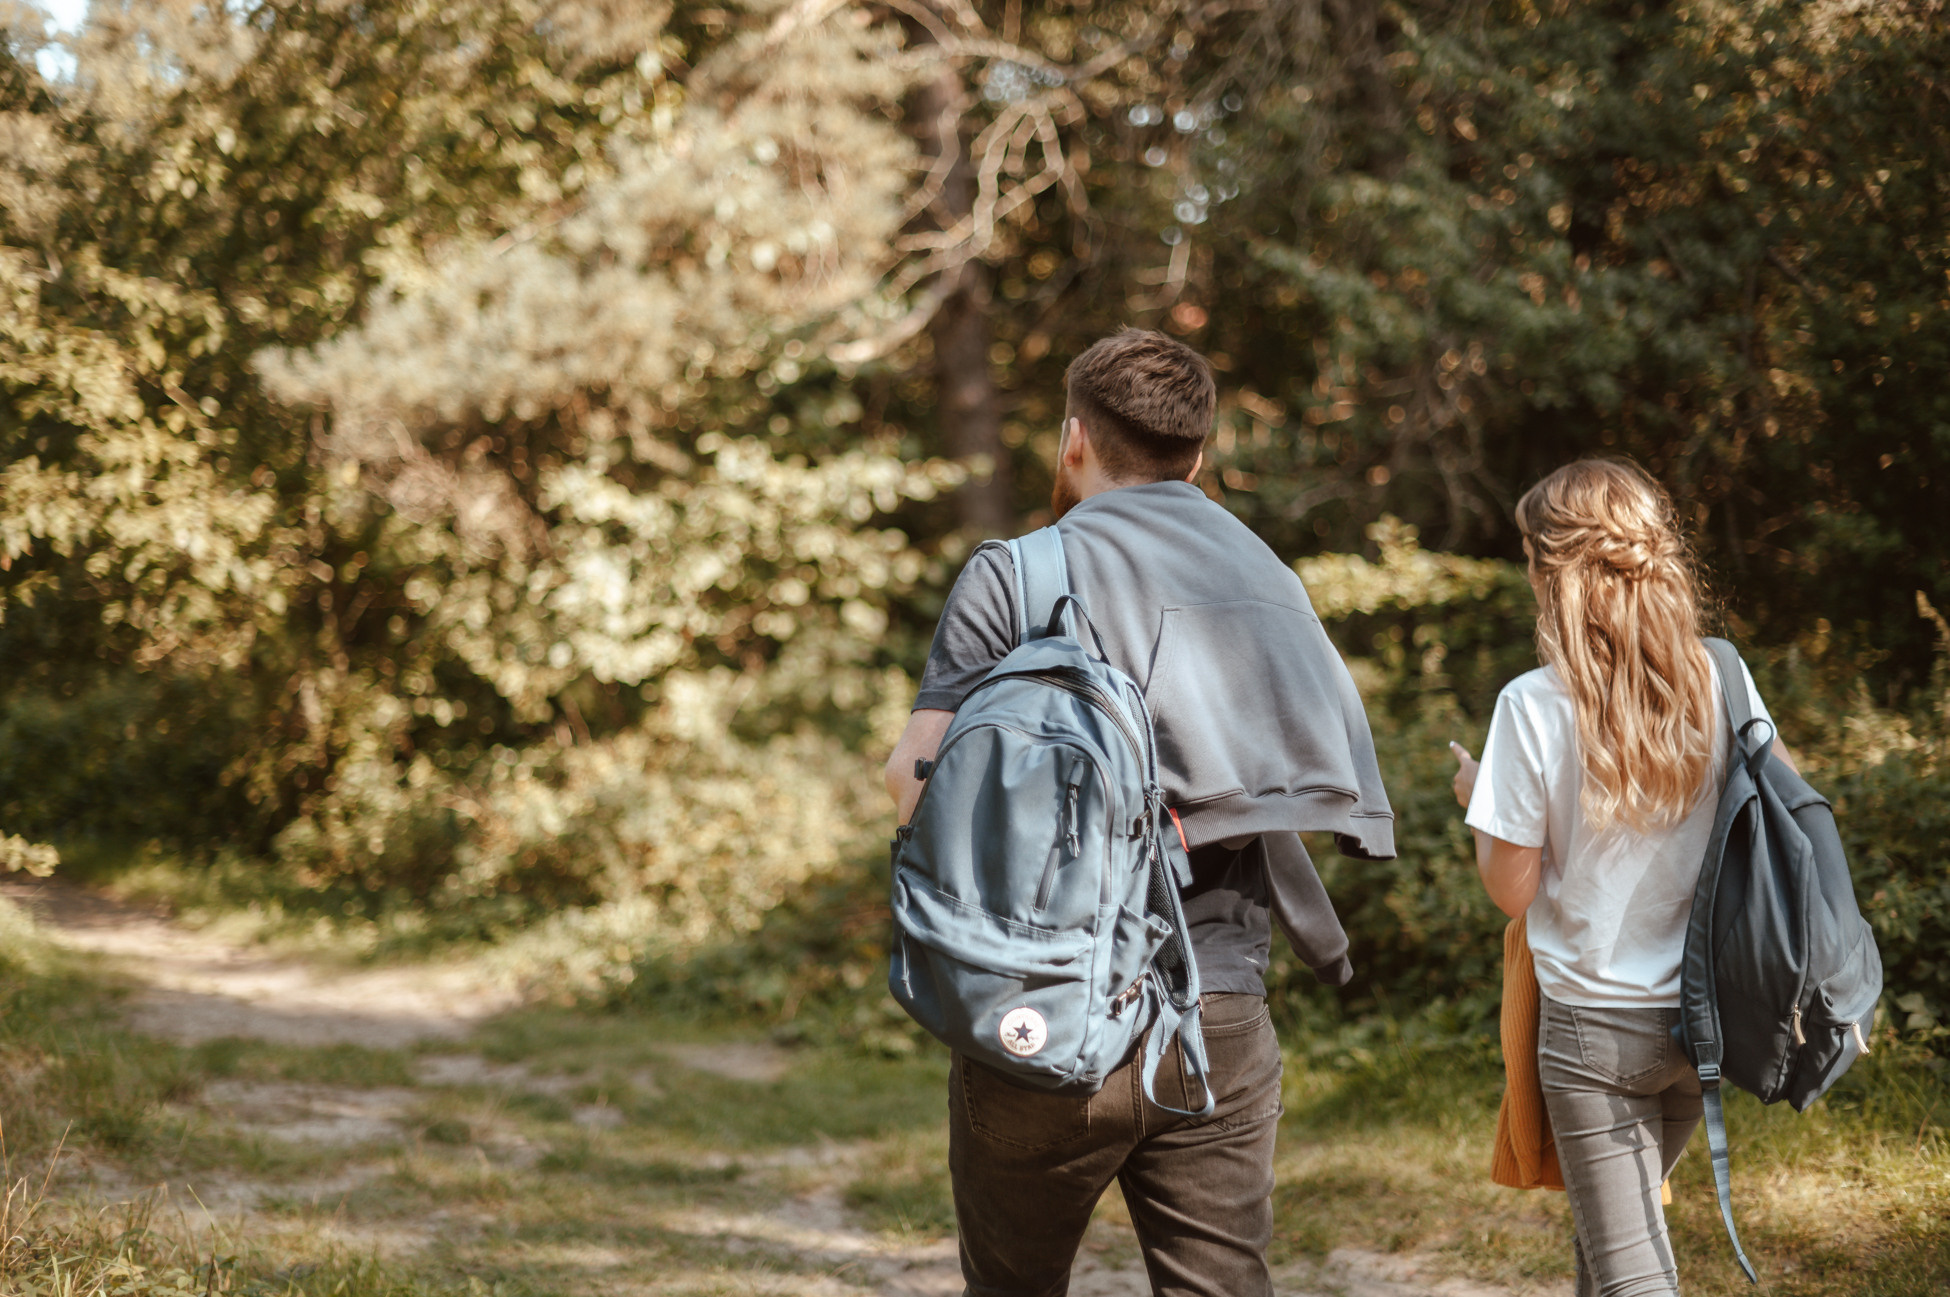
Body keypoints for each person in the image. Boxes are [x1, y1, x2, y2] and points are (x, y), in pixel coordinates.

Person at [883, 328, 1394, 1297]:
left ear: (1074, 437)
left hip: (1039, 1013)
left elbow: (915, 779)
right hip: (1219, 1015)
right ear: (1199, 453)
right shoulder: (1271, 584)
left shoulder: (1023, 573)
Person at [1449, 458, 1800, 1297]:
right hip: (1707, 1017)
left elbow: (1512, 891)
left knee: (1630, 1271)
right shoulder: (1724, 674)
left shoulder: (1532, 705)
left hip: (1593, 1033)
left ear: (1550, 572)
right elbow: (1783, 810)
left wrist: (1479, 796)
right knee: (1613, 1245)